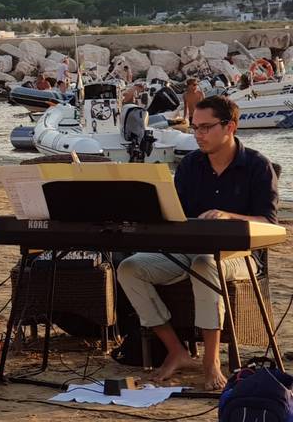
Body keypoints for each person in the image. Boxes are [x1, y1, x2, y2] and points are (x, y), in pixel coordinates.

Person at [117, 96, 278, 390]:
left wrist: (229, 217)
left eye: (206, 128)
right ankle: (177, 351)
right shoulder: (190, 165)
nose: (198, 135)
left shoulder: (258, 166)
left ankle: (211, 360)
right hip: (188, 251)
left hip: (241, 258)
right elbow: (175, 216)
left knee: (206, 263)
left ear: (230, 126)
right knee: (129, 267)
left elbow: (270, 223)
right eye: (194, 128)